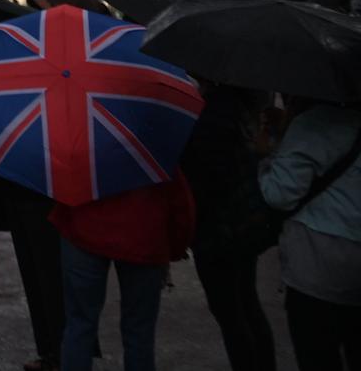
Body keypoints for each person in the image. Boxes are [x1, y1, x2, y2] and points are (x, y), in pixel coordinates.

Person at [51, 172, 194, 371]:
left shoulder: (82, 144)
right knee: (139, 332)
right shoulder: (153, 150)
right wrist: (174, 249)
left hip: (82, 228)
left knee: (79, 325)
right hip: (143, 236)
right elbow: (181, 203)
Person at [259, 94, 361, 368]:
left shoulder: (313, 124)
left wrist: (267, 161)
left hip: (316, 265)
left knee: (317, 353)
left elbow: (279, 194)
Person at [183, 82, 276, 371]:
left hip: (216, 231)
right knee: (247, 302)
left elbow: (209, 179)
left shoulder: (212, 115)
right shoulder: (242, 104)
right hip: (242, 224)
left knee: (230, 312)